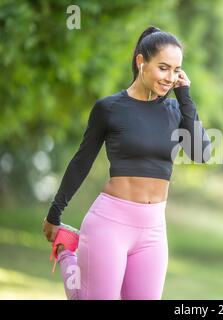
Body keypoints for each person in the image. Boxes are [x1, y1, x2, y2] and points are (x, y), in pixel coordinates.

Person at [41, 25, 211, 300]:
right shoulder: (110, 108)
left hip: (154, 229)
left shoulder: (175, 110)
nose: (170, 77)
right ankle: (65, 254)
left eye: (176, 70)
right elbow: (82, 161)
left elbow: (201, 153)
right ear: (141, 62)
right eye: (163, 68)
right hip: (109, 224)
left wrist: (186, 96)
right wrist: (55, 213)